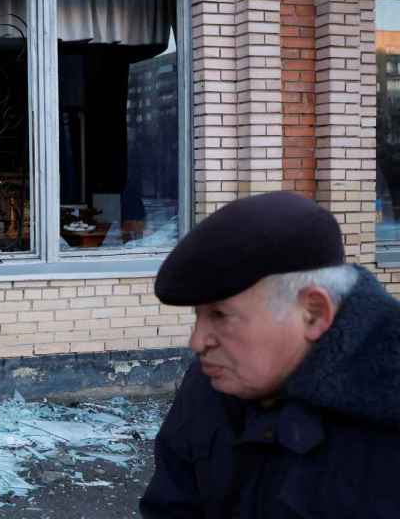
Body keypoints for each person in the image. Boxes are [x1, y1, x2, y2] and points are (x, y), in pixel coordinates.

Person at [139, 191, 400, 518]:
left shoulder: (385, 420)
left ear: (313, 313)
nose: (197, 341)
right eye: (198, 315)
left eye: (220, 315)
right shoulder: (212, 383)